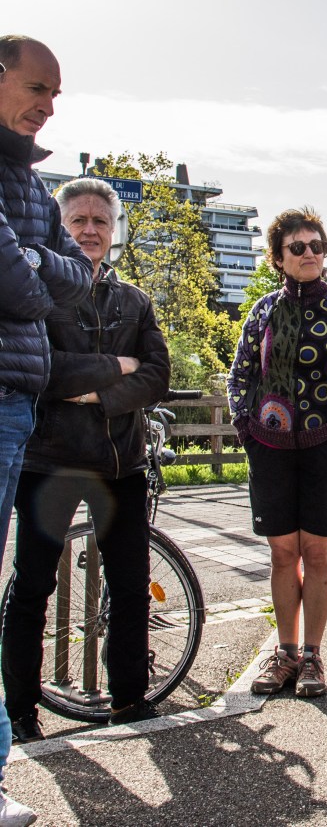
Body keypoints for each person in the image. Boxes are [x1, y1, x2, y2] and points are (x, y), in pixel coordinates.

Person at [2, 177, 171, 741]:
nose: (91, 230)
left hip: (120, 462)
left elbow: (157, 375)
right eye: (79, 220)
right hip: (49, 461)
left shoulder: (135, 301)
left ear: (114, 229)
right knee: (31, 588)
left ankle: (129, 702)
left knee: (130, 586)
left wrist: (97, 388)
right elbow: (45, 372)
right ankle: (21, 711)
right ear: (61, 227)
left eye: (101, 220)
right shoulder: (38, 295)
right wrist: (113, 367)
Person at [228, 208, 327, 698]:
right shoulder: (263, 312)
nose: (310, 253)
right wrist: (246, 429)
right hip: (269, 448)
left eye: (317, 245)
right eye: (298, 247)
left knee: (317, 553)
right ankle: (285, 653)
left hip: (324, 447)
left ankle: (312, 657)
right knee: (281, 554)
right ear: (278, 258)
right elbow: (241, 376)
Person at [0, 35, 92, 826]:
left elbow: (73, 280)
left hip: (15, 404)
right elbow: (24, 290)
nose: (49, 105)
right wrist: (35, 267)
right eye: (38, 87)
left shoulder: (29, 184)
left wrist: (34, 259)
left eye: (56, 93)